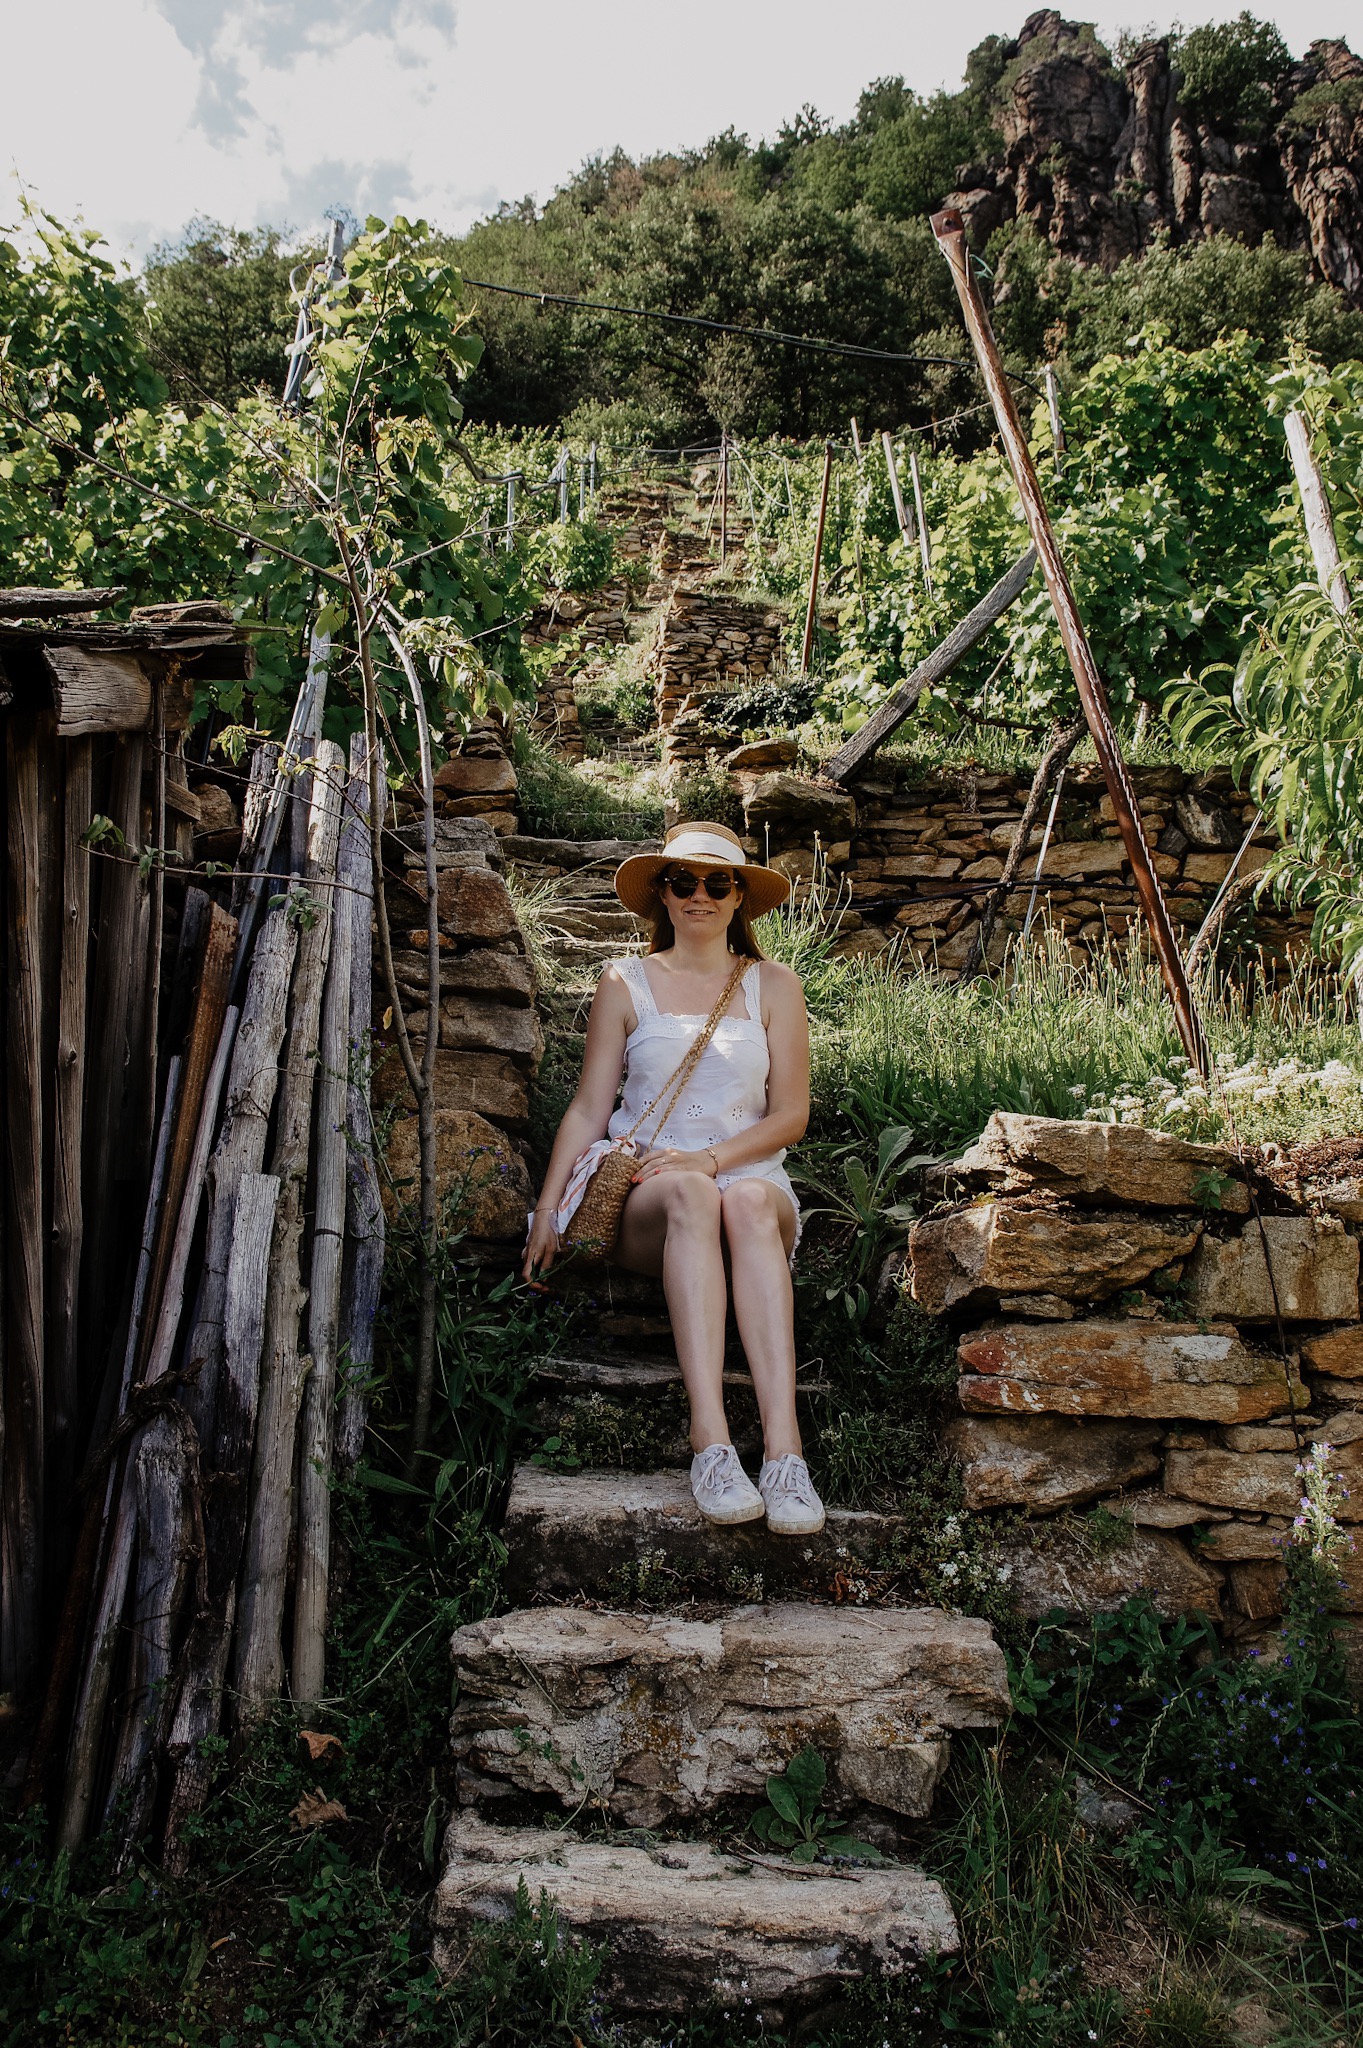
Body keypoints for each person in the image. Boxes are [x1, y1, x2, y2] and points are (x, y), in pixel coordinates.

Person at [522, 822, 824, 1535]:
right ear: (662, 892)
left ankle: (785, 1456)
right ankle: (711, 1445)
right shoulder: (624, 980)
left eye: (716, 883)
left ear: (738, 897)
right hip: (654, 1195)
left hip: (747, 1179)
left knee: (746, 1200)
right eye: (682, 881)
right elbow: (591, 1106)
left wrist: (714, 1158)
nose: (699, 895)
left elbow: (791, 1114)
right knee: (689, 1192)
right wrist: (544, 1208)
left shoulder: (774, 985)